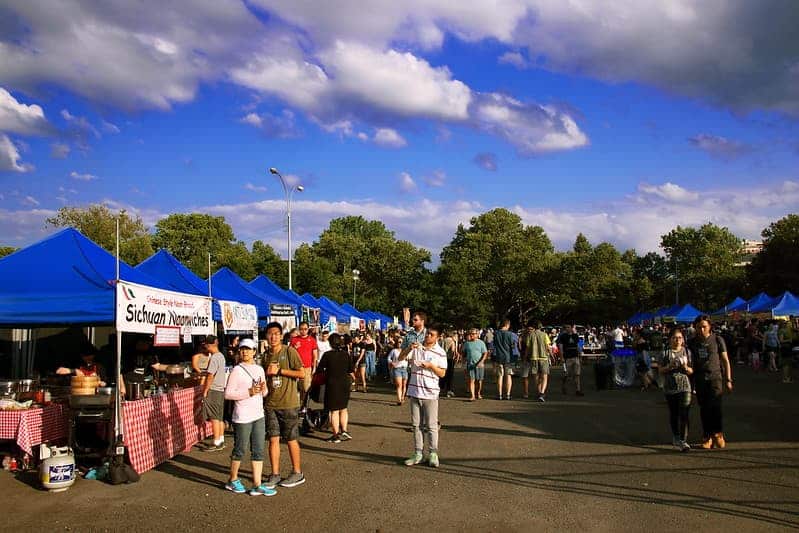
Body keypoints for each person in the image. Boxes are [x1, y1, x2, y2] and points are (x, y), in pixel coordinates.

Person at [223, 339, 274, 495]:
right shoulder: (236, 370)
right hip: (242, 416)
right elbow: (228, 394)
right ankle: (232, 479)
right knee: (240, 449)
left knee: (258, 450)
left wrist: (264, 390)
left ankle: (257, 484)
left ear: (254, 351)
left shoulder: (259, 369)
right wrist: (249, 392)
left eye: (248, 349)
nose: (244, 352)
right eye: (242, 349)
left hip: (258, 414)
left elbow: (264, 392)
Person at [262, 321, 306, 488]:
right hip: (270, 404)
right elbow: (264, 378)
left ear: (281, 336)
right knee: (273, 439)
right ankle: (274, 474)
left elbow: (301, 373)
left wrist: (280, 371)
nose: (273, 337)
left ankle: (297, 472)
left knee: (291, 439)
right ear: (266, 336)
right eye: (270, 334)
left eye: (276, 334)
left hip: (288, 403)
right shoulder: (265, 356)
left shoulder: (289, 352)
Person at [401, 324, 447, 468]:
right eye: (427, 334)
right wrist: (409, 348)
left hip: (431, 392)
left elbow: (442, 373)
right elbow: (400, 357)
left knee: (431, 425)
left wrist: (431, 366)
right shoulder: (417, 348)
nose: (428, 336)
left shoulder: (440, 352)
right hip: (415, 391)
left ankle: (433, 453)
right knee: (416, 425)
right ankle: (418, 453)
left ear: (438, 337)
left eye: (431, 335)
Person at [688, 315, 732, 449]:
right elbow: (690, 361)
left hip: (715, 378)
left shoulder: (718, 339)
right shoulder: (692, 342)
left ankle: (718, 433)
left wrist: (728, 379)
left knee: (716, 407)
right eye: (698, 327)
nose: (701, 329)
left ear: (710, 327)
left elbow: (725, 361)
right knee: (704, 409)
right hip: (700, 379)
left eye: (704, 327)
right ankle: (707, 436)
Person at [659, 328, 693, 452]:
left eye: (679, 337)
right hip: (670, 387)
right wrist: (669, 366)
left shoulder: (687, 352)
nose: (677, 340)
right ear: (670, 340)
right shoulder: (665, 353)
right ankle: (676, 437)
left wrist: (685, 367)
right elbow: (660, 370)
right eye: (674, 338)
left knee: (684, 413)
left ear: (683, 339)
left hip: (685, 386)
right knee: (674, 413)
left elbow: (691, 370)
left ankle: (684, 441)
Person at [316, 333, 354, 443]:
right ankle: (344, 430)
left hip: (332, 384)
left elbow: (320, 369)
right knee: (343, 408)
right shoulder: (346, 354)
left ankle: (335, 435)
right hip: (345, 383)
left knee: (334, 410)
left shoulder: (327, 355)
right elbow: (350, 370)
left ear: (330, 343)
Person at [289, 321, 319, 433]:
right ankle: (296, 406)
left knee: (306, 388)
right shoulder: (294, 340)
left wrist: (314, 367)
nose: (303, 331)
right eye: (301, 329)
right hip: (295, 368)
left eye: (305, 329)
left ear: (308, 329)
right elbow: (290, 353)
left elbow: (315, 355)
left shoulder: (312, 340)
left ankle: (303, 406)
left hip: (307, 368)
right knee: (294, 388)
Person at [201, 335, 227, 452]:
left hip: (214, 389)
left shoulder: (214, 357)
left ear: (209, 345)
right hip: (221, 389)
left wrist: (206, 390)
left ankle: (216, 442)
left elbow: (210, 375)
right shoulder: (221, 356)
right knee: (219, 416)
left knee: (214, 417)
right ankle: (221, 440)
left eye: (205, 344)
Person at [523, 322, 551, 402]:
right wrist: (552, 355)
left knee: (536, 376)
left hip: (534, 358)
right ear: (541, 327)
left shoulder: (530, 335)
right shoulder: (544, 335)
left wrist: (525, 357)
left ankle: (539, 392)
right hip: (543, 358)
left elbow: (527, 348)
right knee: (544, 376)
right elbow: (548, 347)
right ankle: (542, 393)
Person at [461, 329, 488, 401]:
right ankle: (472, 396)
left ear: (477, 334)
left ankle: (478, 393)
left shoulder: (481, 343)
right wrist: (463, 361)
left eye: (473, 334)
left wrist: (481, 361)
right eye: (470, 333)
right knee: (471, 380)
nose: (471, 335)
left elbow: (485, 353)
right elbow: (463, 353)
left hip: (479, 365)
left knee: (479, 381)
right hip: (470, 364)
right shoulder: (467, 343)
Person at [492, 319, 515, 400]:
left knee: (500, 376)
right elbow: (513, 346)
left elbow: (494, 344)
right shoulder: (510, 334)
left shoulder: (496, 334)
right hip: (508, 357)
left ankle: (499, 394)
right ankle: (508, 394)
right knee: (508, 376)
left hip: (498, 357)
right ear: (507, 325)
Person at [558, 324, 584, 396]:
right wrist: (562, 357)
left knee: (577, 374)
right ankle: (564, 386)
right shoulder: (562, 336)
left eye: (568, 327)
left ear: (571, 328)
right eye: (566, 327)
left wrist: (580, 356)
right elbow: (560, 347)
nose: (567, 328)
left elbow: (578, 346)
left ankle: (578, 390)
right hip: (567, 358)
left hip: (575, 357)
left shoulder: (575, 336)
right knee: (566, 375)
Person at [388, 338, 408, 405]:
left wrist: (409, 359)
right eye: (399, 342)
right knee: (399, 385)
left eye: (401, 342)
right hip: (397, 369)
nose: (400, 343)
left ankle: (402, 397)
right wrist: (391, 362)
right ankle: (399, 400)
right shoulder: (394, 351)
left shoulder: (406, 350)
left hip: (405, 369)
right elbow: (388, 358)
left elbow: (410, 358)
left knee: (404, 385)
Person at [439, 331, 458, 398]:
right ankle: (448, 390)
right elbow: (452, 350)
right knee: (450, 375)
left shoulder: (442, 340)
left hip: (442, 359)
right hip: (449, 359)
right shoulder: (452, 341)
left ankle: (441, 388)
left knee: (443, 374)